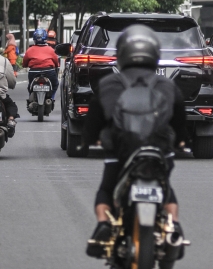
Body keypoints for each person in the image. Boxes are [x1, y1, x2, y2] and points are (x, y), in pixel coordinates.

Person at [84, 25, 187, 258]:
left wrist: (88, 141)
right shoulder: (167, 85)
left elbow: (92, 123)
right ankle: (173, 226)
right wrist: (180, 142)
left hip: (119, 152)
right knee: (166, 190)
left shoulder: (109, 83)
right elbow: (180, 122)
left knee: (106, 190)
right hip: (159, 153)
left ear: (122, 53)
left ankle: (103, 224)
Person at [23, 28, 60, 101]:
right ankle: (52, 98)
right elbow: (56, 62)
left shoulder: (30, 50)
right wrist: (56, 65)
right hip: (49, 71)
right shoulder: (50, 49)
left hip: (33, 72)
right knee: (55, 85)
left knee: (30, 87)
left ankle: (31, 99)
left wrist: (25, 65)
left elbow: (24, 63)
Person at [0, 50, 18, 139]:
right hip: (0, 95)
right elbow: (12, 81)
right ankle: (11, 120)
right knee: (11, 105)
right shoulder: (4, 61)